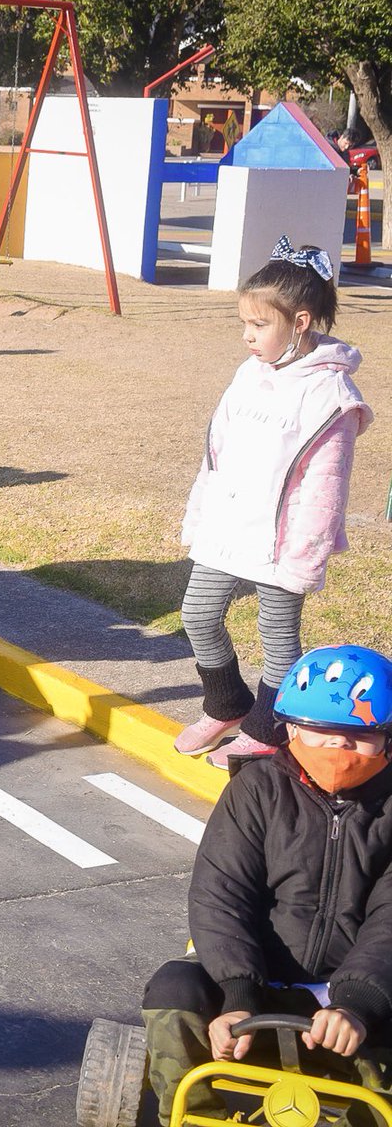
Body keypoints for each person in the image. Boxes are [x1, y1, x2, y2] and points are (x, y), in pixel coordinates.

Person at [143, 644, 392, 1126]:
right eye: (321, 733)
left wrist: (357, 1004)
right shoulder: (257, 789)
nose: (338, 749)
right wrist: (238, 994)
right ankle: (196, 1116)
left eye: (359, 736)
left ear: (386, 739)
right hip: (254, 987)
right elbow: (221, 894)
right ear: (292, 730)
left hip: (355, 1002)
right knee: (175, 987)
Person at [173, 236, 373, 769]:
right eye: (244, 323)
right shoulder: (249, 373)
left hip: (284, 541)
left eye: (259, 325)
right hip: (227, 526)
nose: (247, 335)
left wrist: (304, 556)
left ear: (300, 322)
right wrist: (201, 512)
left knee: (277, 634)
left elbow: (326, 488)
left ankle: (267, 727)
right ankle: (227, 704)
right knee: (197, 614)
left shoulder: (332, 397)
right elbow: (217, 452)